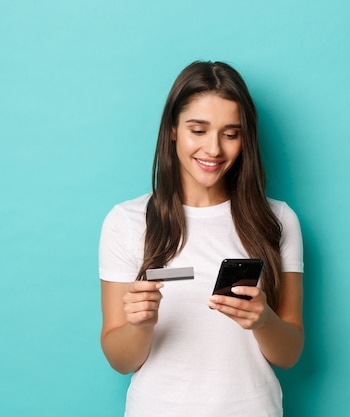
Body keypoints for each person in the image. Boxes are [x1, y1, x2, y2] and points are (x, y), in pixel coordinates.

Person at [98, 61, 304, 417]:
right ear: (173, 129)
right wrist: (139, 324)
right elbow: (121, 360)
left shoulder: (278, 220)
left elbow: (289, 354)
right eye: (198, 130)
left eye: (230, 133)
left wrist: (263, 320)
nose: (213, 150)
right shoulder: (127, 222)